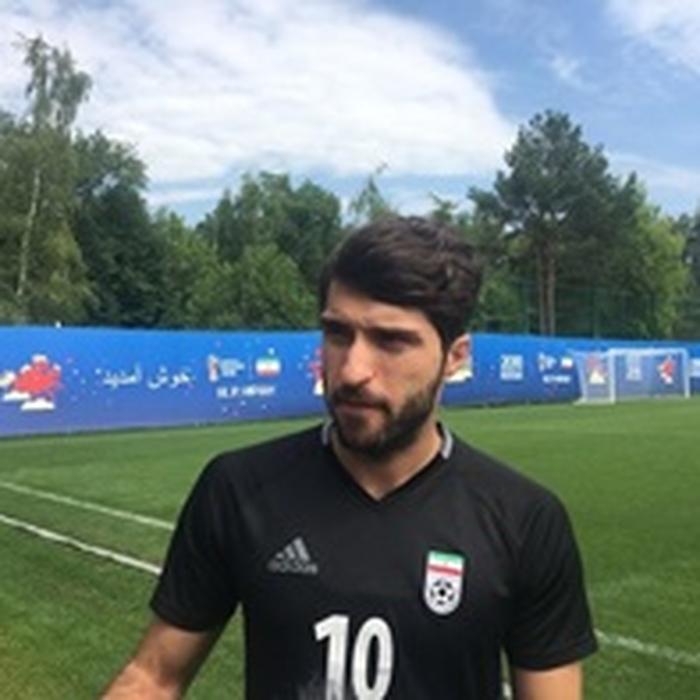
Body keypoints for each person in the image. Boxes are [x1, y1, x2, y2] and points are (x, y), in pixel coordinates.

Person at [104, 216, 597, 699]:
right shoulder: (239, 490)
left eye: (391, 340)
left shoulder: (524, 520)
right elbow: (154, 678)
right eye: (338, 334)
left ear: (455, 357)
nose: (353, 370)